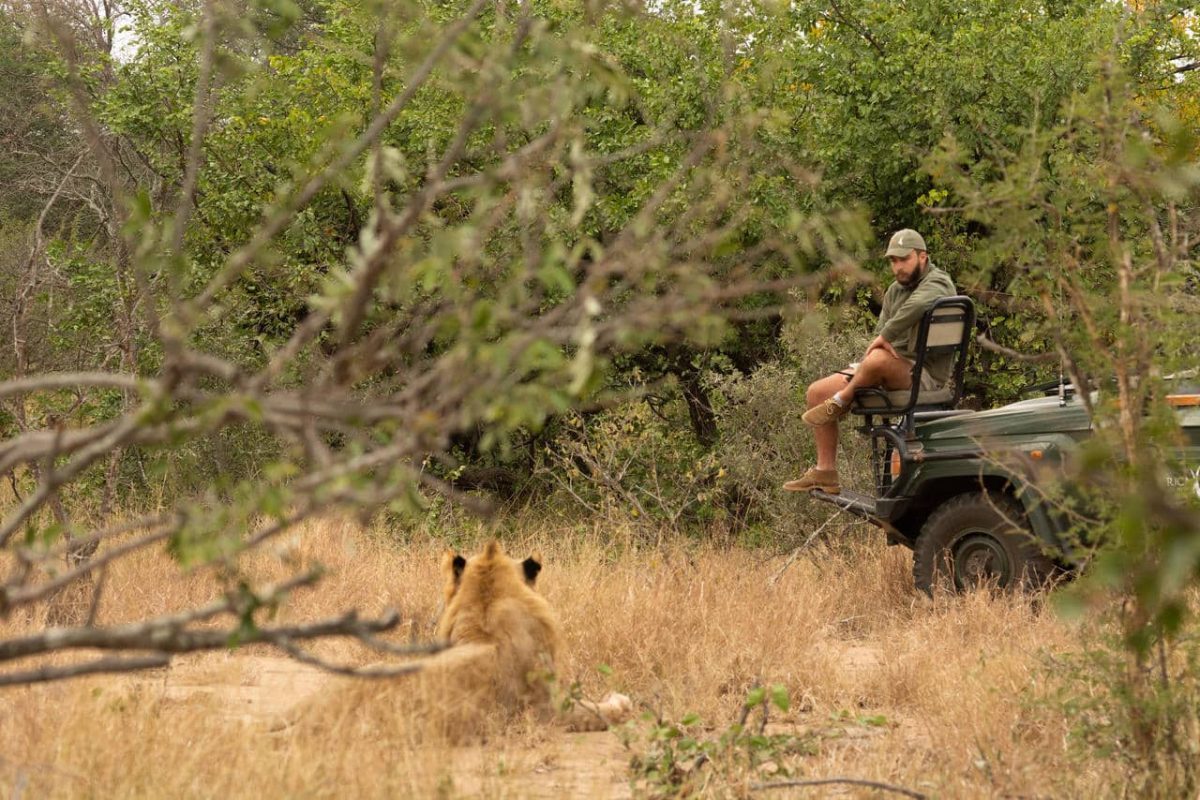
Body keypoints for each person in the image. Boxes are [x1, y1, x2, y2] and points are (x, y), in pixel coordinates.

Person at [784, 229, 956, 495]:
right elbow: (879, 337)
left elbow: (918, 306)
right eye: (893, 261)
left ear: (923, 257)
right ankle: (825, 472)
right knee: (816, 392)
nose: (897, 266)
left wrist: (884, 339)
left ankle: (842, 401)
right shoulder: (894, 291)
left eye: (904, 259)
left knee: (876, 359)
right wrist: (873, 354)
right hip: (885, 367)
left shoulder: (938, 282)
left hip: (923, 376)